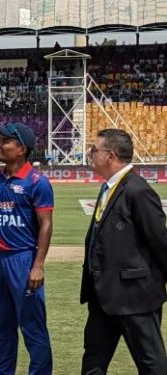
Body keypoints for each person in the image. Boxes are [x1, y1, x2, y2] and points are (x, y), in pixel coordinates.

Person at [80, 129, 167, 374]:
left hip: (135, 298)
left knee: (151, 364)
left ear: (111, 155)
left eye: (94, 149)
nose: (90, 153)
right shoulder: (109, 187)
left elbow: (160, 241)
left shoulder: (137, 190)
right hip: (102, 296)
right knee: (93, 363)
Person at [0, 123, 54, 375]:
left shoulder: (37, 182)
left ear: (21, 149)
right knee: (1, 325)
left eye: (6, 141)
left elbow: (46, 225)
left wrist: (38, 265)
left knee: (32, 325)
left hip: (24, 259)